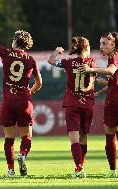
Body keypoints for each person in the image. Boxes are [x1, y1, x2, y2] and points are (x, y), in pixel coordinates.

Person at [0, 10, 42, 177]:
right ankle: (22, 155)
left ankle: (10, 170)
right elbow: (39, 82)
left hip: (8, 101)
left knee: (9, 138)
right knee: (27, 135)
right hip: (24, 101)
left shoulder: (7, 53)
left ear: (16, 42)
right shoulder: (31, 60)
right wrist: (28, 93)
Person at [78, 32, 118, 177]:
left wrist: (91, 69)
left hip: (116, 102)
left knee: (110, 136)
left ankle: (112, 171)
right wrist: (100, 92)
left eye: (104, 43)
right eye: (100, 43)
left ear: (113, 44)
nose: (101, 47)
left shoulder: (115, 57)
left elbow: (111, 70)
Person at [48, 37, 97, 178]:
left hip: (72, 103)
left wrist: (57, 51)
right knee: (84, 137)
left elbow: (50, 61)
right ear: (87, 48)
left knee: (74, 139)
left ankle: (79, 168)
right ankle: (81, 166)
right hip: (88, 104)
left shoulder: (68, 63)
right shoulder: (93, 63)